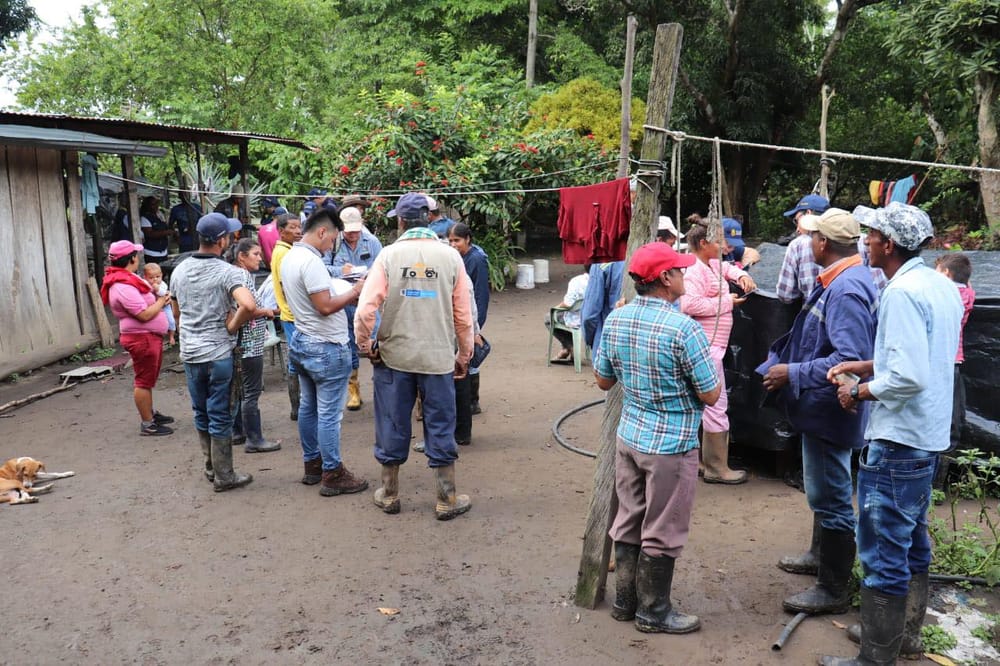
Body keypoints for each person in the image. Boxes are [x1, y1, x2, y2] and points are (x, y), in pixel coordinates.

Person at [820, 202, 962, 665]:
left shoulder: (901, 293)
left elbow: (907, 378)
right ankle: (905, 636)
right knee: (912, 541)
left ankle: (873, 659)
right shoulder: (938, 284)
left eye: (872, 234)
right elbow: (920, 357)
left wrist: (860, 391)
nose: (865, 240)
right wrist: (867, 364)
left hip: (899, 440)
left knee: (883, 551)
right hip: (927, 435)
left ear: (890, 244)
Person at [593, 242, 720, 635]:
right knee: (664, 528)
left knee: (629, 518)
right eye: (680, 270)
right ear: (666, 279)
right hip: (671, 443)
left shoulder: (617, 320)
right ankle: (654, 611)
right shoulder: (684, 329)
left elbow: (602, 380)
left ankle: (624, 601)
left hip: (630, 435)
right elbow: (711, 394)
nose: (685, 275)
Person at [758, 209, 879, 617]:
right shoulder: (840, 280)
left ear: (823, 244)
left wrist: (791, 371)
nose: (809, 243)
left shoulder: (845, 290)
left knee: (832, 498)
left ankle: (833, 589)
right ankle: (818, 556)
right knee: (824, 491)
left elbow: (850, 359)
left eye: (812, 238)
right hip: (821, 408)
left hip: (831, 411)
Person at [355, 192, 475, 520]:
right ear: (430, 218)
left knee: (392, 420)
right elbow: (464, 315)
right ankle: (446, 498)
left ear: (401, 221)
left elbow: (366, 309)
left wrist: (365, 345)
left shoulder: (389, 256)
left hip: (395, 356)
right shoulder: (452, 257)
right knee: (440, 422)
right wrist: (464, 355)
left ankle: (390, 493)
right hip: (437, 357)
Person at [280, 208, 369, 497]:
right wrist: (356, 291)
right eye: (332, 239)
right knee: (329, 414)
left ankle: (313, 465)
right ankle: (332, 472)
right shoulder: (311, 261)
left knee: (308, 407)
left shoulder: (290, 257)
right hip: (325, 346)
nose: (332, 245)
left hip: (303, 341)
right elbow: (326, 306)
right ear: (322, 232)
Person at [170, 212, 257, 492]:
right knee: (220, 413)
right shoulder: (227, 272)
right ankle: (224, 475)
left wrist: (188, 332)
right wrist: (231, 326)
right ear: (221, 241)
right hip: (218, 353)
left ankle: (210, 466)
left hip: (191, 354)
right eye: (229, 235)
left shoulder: (180, 269)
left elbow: (176, 311)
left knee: (201, 412)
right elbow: (249, 304)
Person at [679, 218, 756, 484]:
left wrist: (741, 274)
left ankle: (703, 461)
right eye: (719, 241)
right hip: (706, 348)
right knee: (715, 404)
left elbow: (725, 268)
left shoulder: (709, 264)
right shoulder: (693, 272)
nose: (725, 246)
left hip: (714, 346)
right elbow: (689, 304)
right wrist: (727, 303)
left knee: (707, 404)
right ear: (703, 244)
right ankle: (716, 467)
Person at [101, 241, 175, 436]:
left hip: (147, 336)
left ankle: (150, 412)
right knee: (143, 380)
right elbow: (143, 315)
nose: (138, 258)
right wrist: (162, 301)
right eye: (136, 255)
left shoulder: (127, 279)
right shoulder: (123, 286)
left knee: (148, 378)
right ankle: (148, 423)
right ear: (132, 258)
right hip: (141, 338)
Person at [226, 238, 282, 454]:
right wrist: (266, 311)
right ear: (242, 256)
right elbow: (246, 308)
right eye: (256, 254)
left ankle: (238, 431)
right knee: (251, 391)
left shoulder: (238, 275)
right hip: (248, 342)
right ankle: (255, 439)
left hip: (245, 341)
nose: (261, 258)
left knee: (241, 389)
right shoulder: (241, 276)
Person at [328, 206, 383, 411]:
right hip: (343, 304)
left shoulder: (373, 242)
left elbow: (382, 268)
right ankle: (354, 391)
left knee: (375, 344)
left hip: (368, 303)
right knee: (349, 346)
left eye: (356, 230)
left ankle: (382, 389)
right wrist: (339, 270)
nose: (353, 234)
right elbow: (322, 267)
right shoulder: (333, 244)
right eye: (348, 230)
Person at [935, 252, 975, 451]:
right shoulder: (968, 295)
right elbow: (969, 288)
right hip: (955, 357)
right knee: (955, 401)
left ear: (947, 274)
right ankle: (952, 440)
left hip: (944, 357)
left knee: (947, 402)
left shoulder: (946, 297)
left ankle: (946, 444)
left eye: (938, 273)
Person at [448, 222, 489, 415]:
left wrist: (476, 328)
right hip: (460, 316)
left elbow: (480, 295)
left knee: (470, 357)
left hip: (472, 316)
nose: (453, 244)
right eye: (450, 241)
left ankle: (473, 401)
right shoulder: (458, 257)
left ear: (467, 239)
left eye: (457, 240)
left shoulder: (477, 259)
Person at [270, 213, 304, 420]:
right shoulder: (284, 253)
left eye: (299, 226)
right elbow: (285, 284)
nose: (298, 231)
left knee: (296, 358)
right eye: (293, 227)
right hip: (292, 314)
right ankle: (296, 408)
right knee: (297, 360)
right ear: (281, 231)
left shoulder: (287, 250)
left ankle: (298, 407)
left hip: (290, 313)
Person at [776, 194, 830, 304]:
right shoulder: (859, 241)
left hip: (814, 315)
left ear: (808, 214)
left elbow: (786, 294)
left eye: (797, 221)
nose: (797, 230)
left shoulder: (798, 245)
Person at [546, 264, 590, 362]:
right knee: (561, 317)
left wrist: (555, 308)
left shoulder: (577, 281)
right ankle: (566, 348)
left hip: (575, 317)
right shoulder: (602, 281)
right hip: (592, 316)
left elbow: (567, 304)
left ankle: (568, 347)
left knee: (549, 317)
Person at [143, 263, 176, 346]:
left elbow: (163, 293)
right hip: (153, 307)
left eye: (157, 277)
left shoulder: (162, 284)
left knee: (171, 321)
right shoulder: (145, 284)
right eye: (151, 278)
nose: (155, 279)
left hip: (165, 306)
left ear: (161, 275)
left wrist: (156, 288)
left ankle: (171, 336)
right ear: (145, 277)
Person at [139, 196, 175, 263]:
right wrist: (166, 232)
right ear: (147, 206)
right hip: (151, 252)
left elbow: (165, 225)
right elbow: (149, 234)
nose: (156, 206)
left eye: (156, 204)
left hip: (163, 250)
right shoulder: (144, 218)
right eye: (153, 204)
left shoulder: (159, 214)